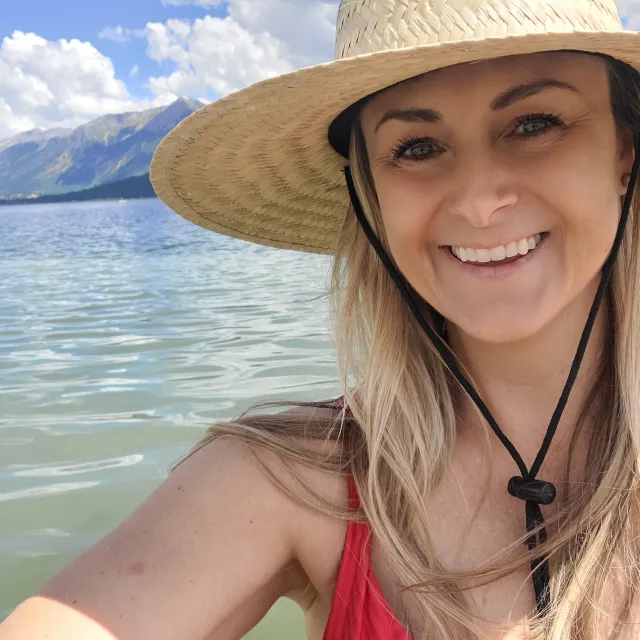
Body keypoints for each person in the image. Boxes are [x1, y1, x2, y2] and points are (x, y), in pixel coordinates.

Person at [3, 0, 640, 639]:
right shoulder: (288, 482)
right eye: (416, 146)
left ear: (625, 149)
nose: (478, 202)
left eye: (534, 123)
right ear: (370, 193)